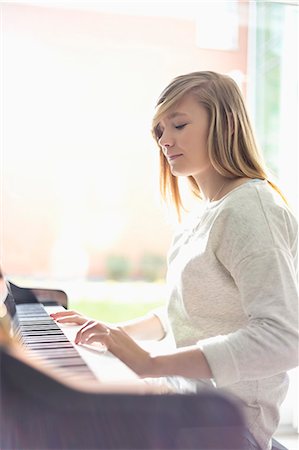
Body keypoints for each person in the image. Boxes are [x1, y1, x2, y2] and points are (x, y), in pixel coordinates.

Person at [51, 71, 298, 450]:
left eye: (179, 124)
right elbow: (195, 310)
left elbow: (285, 338)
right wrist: (116, 334)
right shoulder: (206, 212)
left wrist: (153, 364)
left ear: (224, 123)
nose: (165, 141)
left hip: (228, 428)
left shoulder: (251, 211)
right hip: (183, 404)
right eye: (159, 132)